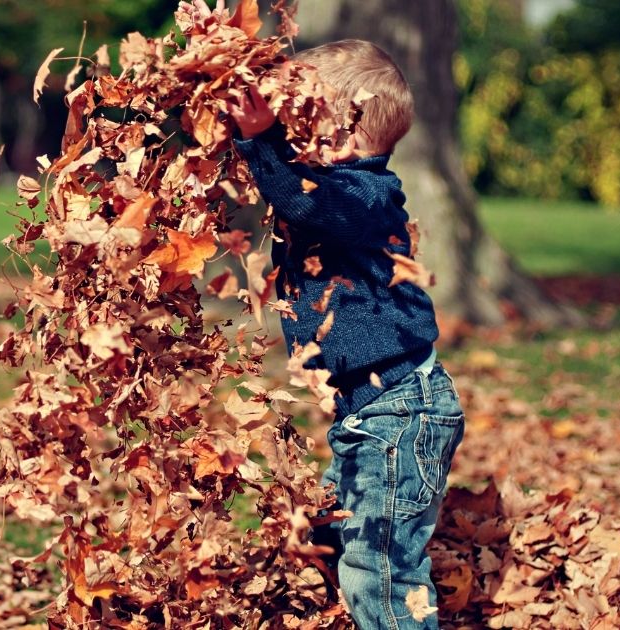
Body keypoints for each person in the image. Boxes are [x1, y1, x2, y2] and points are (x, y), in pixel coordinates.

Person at [227, 39, 467, 629]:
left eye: (302, 121)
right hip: (370, 416)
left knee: (381, 572)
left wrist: (259, 141)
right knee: (329, 533)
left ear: (345, 135)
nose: (290, 133)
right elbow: (289, 190)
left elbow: (303, 203)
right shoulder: (335, 189)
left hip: (399, 415)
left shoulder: (364, 196)